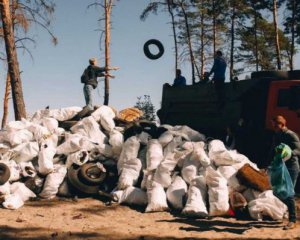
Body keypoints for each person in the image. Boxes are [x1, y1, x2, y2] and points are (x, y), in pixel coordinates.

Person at [270, 115, 300, 230]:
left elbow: (298, 149)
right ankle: (292, 209)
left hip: (292, 167)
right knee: (277, 191)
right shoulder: (276, 135)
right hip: (280, 167)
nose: (274, 128)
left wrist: (288, 153)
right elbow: (272, 151)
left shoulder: (290, 135)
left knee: (289, 193)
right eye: (273, 126)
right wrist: (267, 164)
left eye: (276, 125)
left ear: (282, 125)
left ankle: (292, 220)